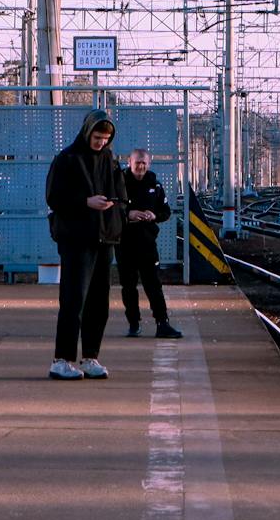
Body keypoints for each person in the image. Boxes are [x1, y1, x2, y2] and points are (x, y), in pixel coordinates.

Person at [43, 109, 129, 381]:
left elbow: (121, 194)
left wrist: (116, 211)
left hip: (104, 237)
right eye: (97, 137)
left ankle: (91, 356)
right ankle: (62, 359)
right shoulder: (67, 159)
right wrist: (85, 202)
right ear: (87, 132)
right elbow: (54, 197)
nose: (101, 142)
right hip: (76, 239)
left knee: (98, 302)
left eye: (105, 138)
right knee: (73, 299)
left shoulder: (110, 161)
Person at [118, 147, 182, 339]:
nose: (141, 166)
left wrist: (154, 216)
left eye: (144, 163)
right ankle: (134, 323)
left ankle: (162, 323)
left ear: (149, 164)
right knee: (128, 286)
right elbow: (109, 209)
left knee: (153, 284)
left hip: (147, 242)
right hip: (124, 243)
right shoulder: (118, 183)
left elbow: (166, 211)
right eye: (137, 162)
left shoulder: (155, 185)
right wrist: (128, 215)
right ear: (129, 162)